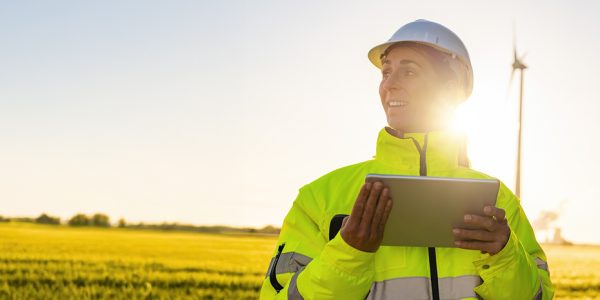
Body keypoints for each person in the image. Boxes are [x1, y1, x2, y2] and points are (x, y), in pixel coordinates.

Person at [259, 19, 554, 300]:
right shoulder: (318, 199)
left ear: (450, 89)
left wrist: (504, 255)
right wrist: (349, 253)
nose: (390, 85)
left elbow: (537, 295)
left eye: (409, 72)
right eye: (386, 72)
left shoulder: (500, 200)